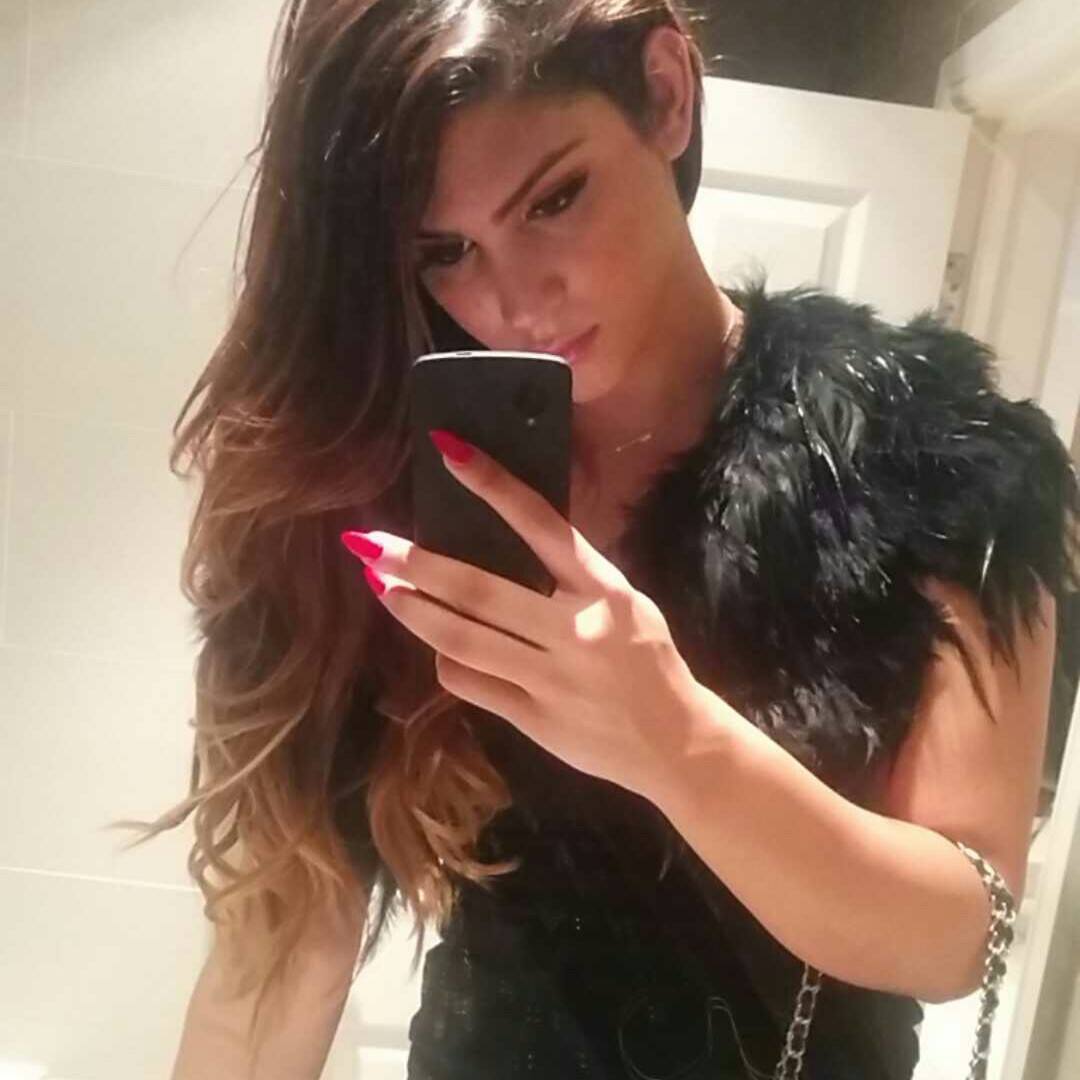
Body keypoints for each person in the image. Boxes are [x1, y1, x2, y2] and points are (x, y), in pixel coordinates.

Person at [142, 1, 1079, 1078]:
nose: (516, 300)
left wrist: (673, 740)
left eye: (555, 198)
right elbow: (281, 936)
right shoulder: (389, 479)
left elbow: (963, 931)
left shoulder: (942, 455)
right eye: (445, 251)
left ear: (666, 93)